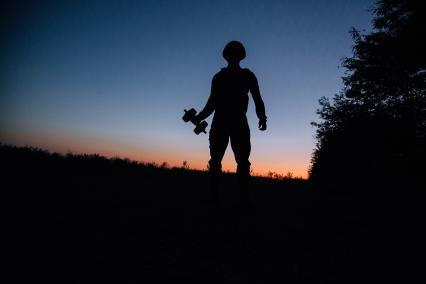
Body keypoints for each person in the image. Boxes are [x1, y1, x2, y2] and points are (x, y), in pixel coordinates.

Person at [193, 40, 267, 205]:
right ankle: (215, 198)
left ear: (240, 56)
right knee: (216, 161)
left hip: (237, 122)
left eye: (235, 53)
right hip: (221, 121)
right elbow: (211, 103)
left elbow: (257, 99)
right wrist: (199, 117)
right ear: (227, 55)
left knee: (241, 161)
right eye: (231, 53)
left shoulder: (246, 75)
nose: (233, 56)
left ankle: (243, 199)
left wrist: (262, 117)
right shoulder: (219, 77)